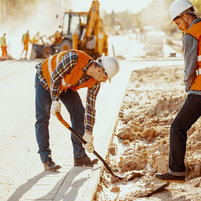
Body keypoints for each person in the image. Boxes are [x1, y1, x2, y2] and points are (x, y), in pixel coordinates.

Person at [35, 49, 119, 171]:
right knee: (42, 118)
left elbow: (90, 108)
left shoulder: (95, 83)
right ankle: (46, 158)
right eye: (106, 77)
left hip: (65, 85)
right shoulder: (74, 59)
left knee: (79, 113)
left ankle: (79, 156)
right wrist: (55, 100)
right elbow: (55, 78)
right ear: (99, 70)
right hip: (46, 78)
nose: (105, 81)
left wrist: (89, 134)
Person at [155, 0, 201, 182]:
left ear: (185, 16)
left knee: (177, 127)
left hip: (199, 91)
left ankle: (177, 172)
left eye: (178, 23)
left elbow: (189, 67)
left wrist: (188, 87)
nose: (179, 28)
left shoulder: (191, 34)